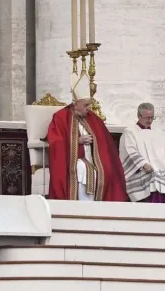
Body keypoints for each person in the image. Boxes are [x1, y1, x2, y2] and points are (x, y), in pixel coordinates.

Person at [44, 72, 127, 202]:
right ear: (75, 104)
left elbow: (105, 142)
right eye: (86, 105)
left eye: (89, 104)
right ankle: (82, 206)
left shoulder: (93, 118)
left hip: (93, 159)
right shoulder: (60, 117)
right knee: (84, 168)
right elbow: (55, 141)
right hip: (71, 159)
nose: (89, 108)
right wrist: (77, 141)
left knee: (107, 170)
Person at [119, 102, 165, 203]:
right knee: (153, 187)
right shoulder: (130, 131)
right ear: (139, 116)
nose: (150, 121)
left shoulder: (158, 132)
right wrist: (143, 164)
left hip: (162, 169)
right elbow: (130, 151)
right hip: (145, 170)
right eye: (147, 118)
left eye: (152, 117)